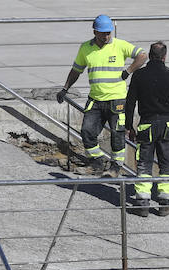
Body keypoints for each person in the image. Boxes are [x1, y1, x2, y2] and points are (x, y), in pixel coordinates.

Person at [57, 14, 146, 171]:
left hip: (117, 100)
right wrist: (65, 88)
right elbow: (76, 70)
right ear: (94, 32)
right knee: (87, 131)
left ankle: (115, 167)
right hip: (96, 99)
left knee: (117, 134)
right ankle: (97, 160)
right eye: (103, 33)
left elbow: (142, 55)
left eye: (108, 33)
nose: (106, 36)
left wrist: (129, 71)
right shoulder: (85, 48)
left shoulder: (119, 45)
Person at [124, 41, 169, 217]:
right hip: (168, 124)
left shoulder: (138, 75)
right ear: (165, 56)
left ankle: (143, 204)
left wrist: (129, 126)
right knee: (166, 165)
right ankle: (165, 204)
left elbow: (129, 103)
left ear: (150, 56)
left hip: (146, 125)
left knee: (144, 165)